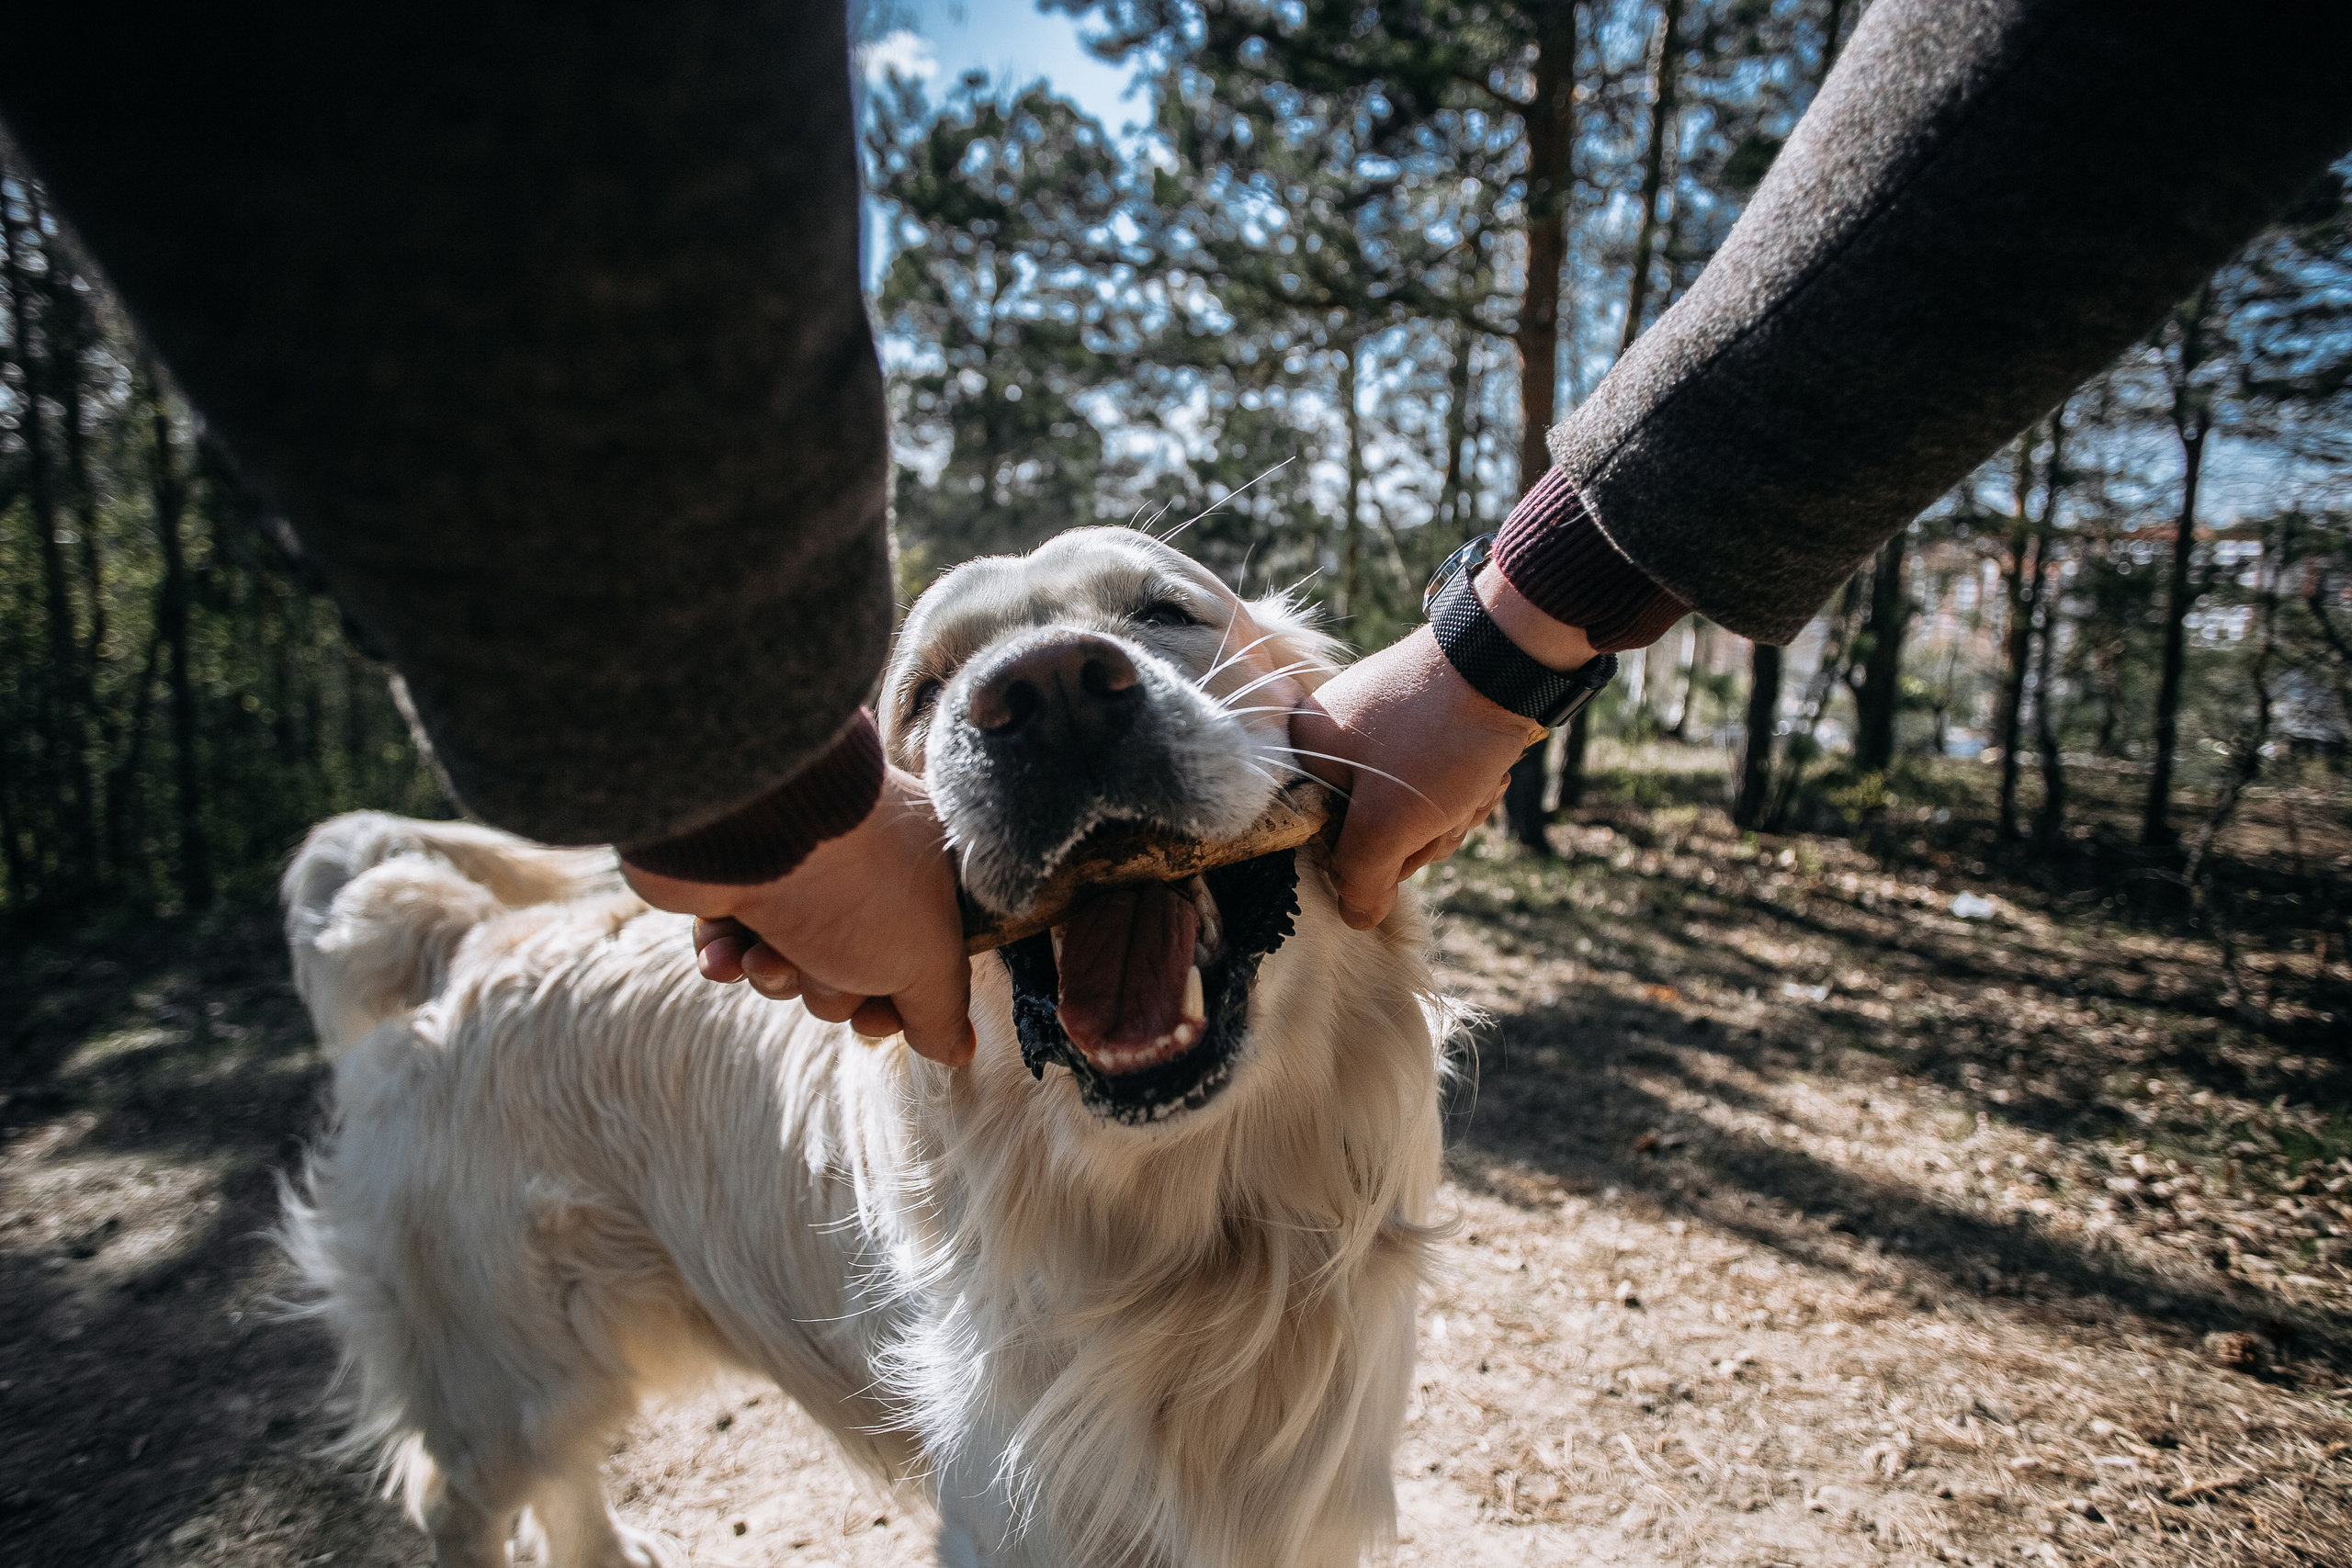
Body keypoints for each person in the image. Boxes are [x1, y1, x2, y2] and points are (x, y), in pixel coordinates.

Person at [5, 0, 2346, 1067]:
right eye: (955, 684)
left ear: (1311, 731)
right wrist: (757, 802)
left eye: (1159, 620)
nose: (1060, 677)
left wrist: (1497, 650)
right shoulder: (872, 950)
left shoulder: (1311, 821)